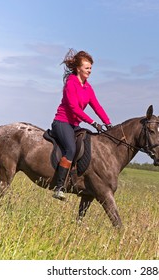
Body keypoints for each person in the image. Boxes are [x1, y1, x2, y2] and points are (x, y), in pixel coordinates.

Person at [51, 49, 112, 200]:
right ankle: (59, 187)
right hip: (62, 122)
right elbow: (73, 108)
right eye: (87, 68)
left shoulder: (88, 87)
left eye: (91, 68)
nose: (90, 71)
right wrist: (92, 122)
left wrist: (108, 123)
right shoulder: (71, 83)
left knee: (87, 147)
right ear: (78, 68)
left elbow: (97, 106)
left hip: (75, 125)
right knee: (71, 149)